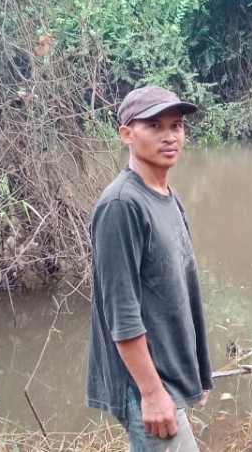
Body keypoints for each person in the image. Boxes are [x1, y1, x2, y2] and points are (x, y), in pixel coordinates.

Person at [86, 86, 212, 452]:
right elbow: (121, 313)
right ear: (126, 133)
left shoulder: (166, 196)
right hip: (144, 384)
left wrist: (196, 371)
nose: (170, 135)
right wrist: (152, 392)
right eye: (154, 125)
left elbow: (179, 292)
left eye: (177, 125)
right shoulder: (122, 205)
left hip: (169, 376)